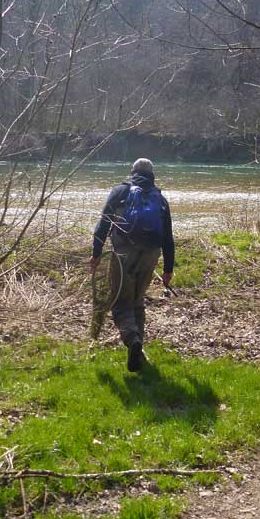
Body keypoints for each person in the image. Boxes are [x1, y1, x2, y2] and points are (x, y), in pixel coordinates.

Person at [89, 158, 175, 372]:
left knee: (120, 302)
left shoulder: (120, 192)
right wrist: (168, 269)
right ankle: (138, 352)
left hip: (123, 253)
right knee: (137, 301)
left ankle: (132, 339)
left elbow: (103, 224)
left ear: (132, 172)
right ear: (152, 174)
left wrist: (96, 254)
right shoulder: (160, 199)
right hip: (151, 255)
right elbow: (168, 237)